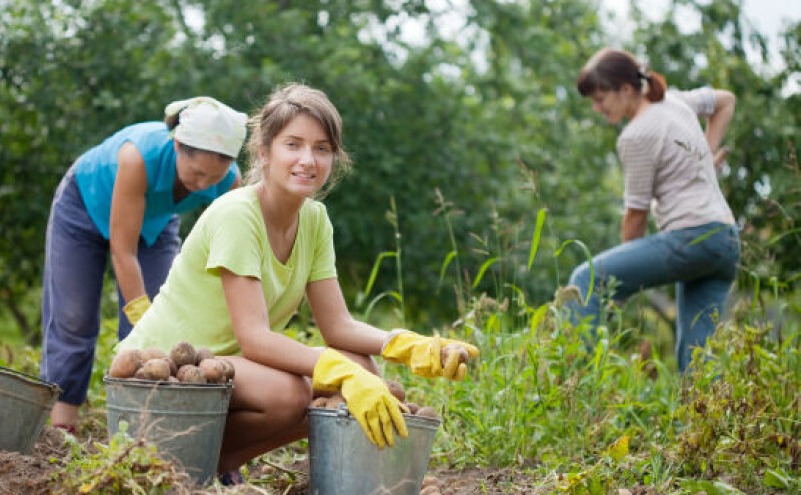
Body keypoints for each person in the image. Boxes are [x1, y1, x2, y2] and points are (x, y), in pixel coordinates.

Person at [117, 83, 479, 486]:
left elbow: (338, 326)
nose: (308, 160)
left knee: (361, 368)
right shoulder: (237, 215)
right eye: (293, 144)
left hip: (223, 371)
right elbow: (254, 338)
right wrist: (335, 369)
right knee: (290, 394)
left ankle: (207, 469)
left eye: (322, 148)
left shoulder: (314, 220)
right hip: (160, 378)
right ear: (264, 151)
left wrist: (407, 345)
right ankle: (174, 466)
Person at [40, 97, 248, 432]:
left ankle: (144, 429)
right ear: (178, 145)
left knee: (166, 320)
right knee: (74, 317)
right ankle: (61, 424)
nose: (204, 184)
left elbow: (229, 250)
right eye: (196, 173)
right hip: (83, 210)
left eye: (214, 177)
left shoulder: (230, 181)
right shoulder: (137, 157)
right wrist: (141, 320)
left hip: (155, 223)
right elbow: (123, 251)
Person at [565, 48, 741, 372]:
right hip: (725, 241)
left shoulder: (636, 134)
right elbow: (726, 100)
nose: (596, 107)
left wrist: (621, 285)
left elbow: (636, 215)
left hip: (692, 237)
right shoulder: (676, 101)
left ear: (626, 89)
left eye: (601, 98)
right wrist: (706, 153)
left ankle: (574, 393)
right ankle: (706, 421)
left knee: (586, 279)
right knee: (696, 361)